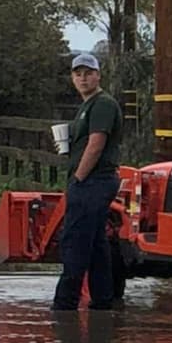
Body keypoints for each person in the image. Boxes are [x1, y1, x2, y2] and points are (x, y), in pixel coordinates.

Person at [52, 53, 123, 311]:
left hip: (94, 181)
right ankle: (103, 301)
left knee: (75, 242)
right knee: (95, 244)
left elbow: (96, 144)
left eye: (88, 73)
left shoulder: (103, 104)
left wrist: (78, 178)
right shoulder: (87, 105)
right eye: (77, 74)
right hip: (94, 181)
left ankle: (64, 306)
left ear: (98, 75)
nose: (82, 78)